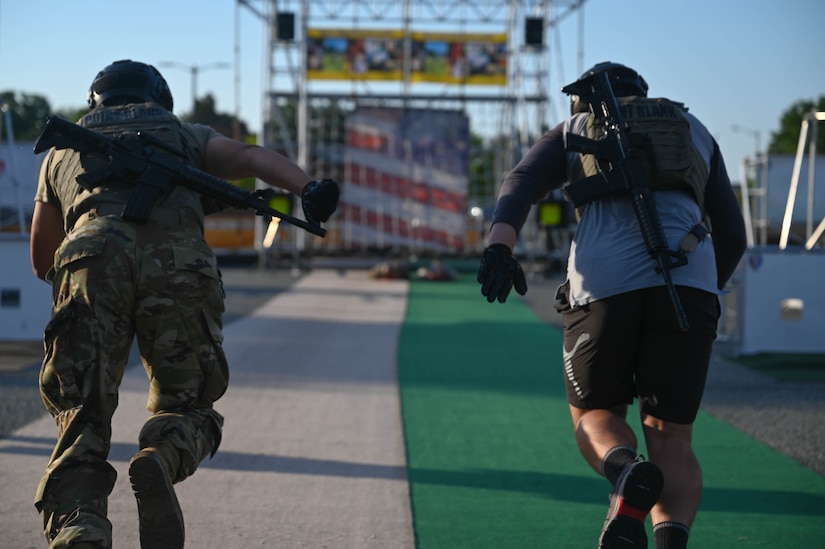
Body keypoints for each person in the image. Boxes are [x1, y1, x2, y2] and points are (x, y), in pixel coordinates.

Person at [29, 59, 340, 549]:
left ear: (95, 101)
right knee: (191, 402)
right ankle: (162, 456)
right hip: (179, 266)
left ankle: (79, 525)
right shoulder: (184, 135)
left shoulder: (61, 150)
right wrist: (307, 188)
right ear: (160, 98)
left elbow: (41, 256)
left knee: (80, 413)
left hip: (90, 264)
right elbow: (250, 155)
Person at [477, 61, 746, 549]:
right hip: (691, 285)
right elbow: (734, 234)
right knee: (673, 437)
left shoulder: (575, 127)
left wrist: (500, 246)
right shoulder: (694, 128)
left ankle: (626, 474)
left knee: (595, 415)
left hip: (604, 286)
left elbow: (521, 182)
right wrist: (705, 293)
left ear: (583, 99)